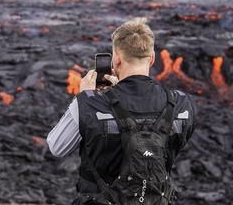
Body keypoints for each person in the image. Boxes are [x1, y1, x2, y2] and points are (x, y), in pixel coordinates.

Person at [47, 18, 197, 205]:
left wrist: (85, 98)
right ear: (151, 59)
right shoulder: (181, 103)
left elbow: (57, 147)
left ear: (116, 59)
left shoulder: (91, 102)